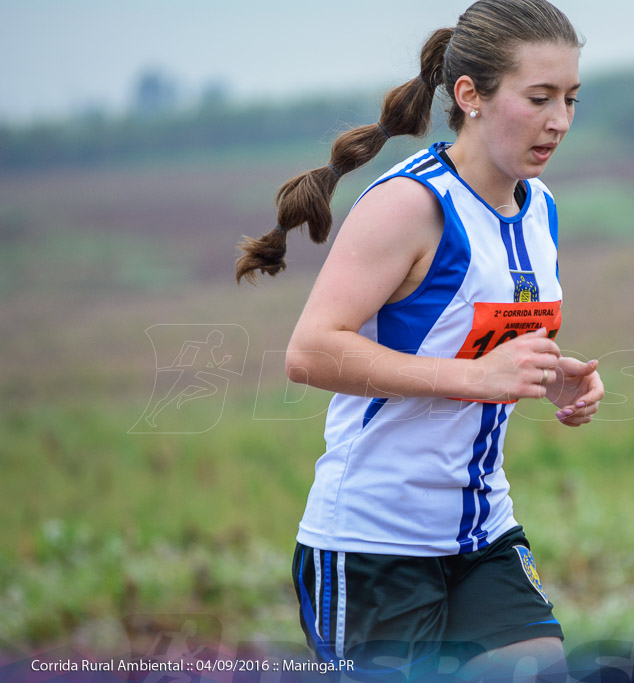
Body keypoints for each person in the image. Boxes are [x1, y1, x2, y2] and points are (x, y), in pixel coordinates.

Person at [235, 0, 602, 678]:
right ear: (471, 96)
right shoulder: (408, 204)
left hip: (481, 533)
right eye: (540, 97)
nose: (559, 121)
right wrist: (479, 380)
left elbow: (483, 344)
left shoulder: (539, 206)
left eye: (571, 99)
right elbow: (310, 351)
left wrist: (555, 377)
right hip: (371, 546)